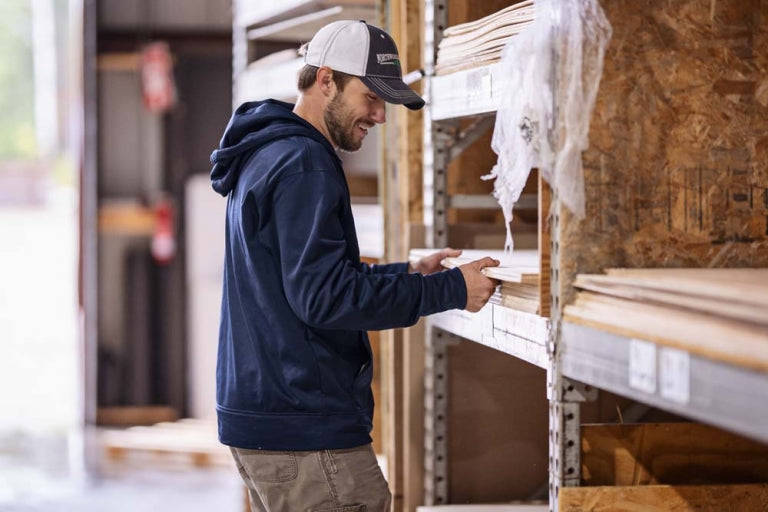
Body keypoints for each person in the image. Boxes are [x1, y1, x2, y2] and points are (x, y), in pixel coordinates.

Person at [210, 19, 499, 512]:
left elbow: (306, 281)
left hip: (268, 416)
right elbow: (325, 299)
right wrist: (448, 291)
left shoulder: (269, 153)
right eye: (371, 97)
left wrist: (408, 275)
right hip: (305, 428)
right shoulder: (304, 163)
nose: (380, 116)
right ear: (326, 80)